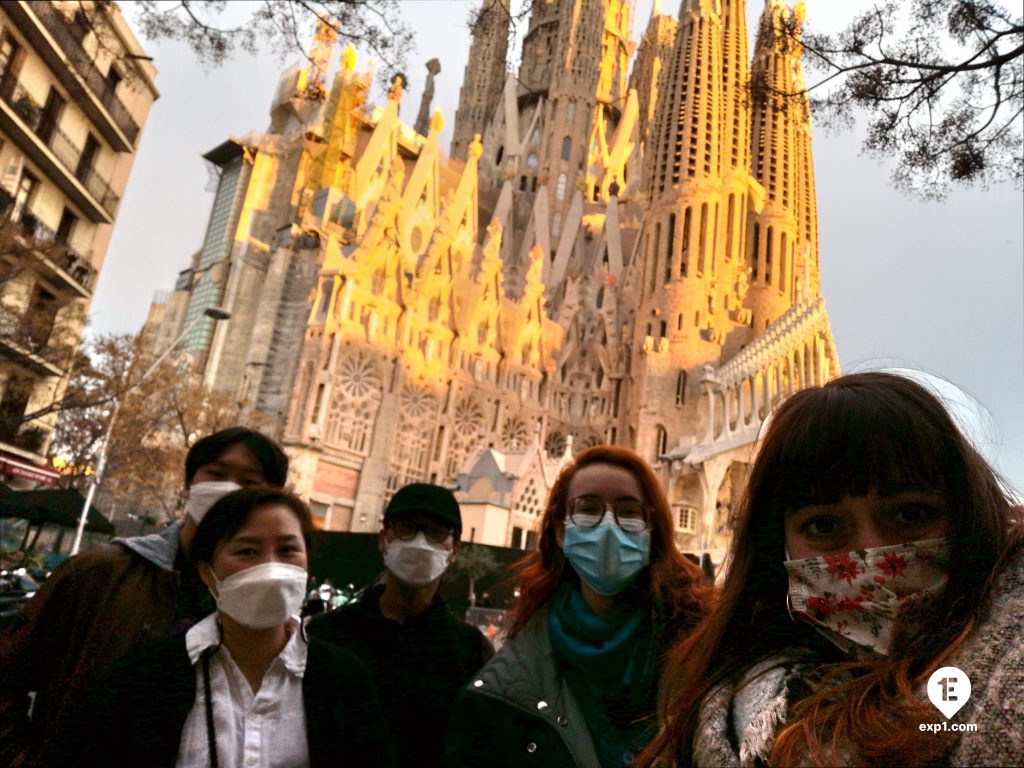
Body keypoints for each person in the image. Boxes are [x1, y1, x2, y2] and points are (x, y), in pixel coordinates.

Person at [640, 372, 1024, 767]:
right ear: (777, 547)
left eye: (911, 514)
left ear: (970, 515)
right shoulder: (716, 715)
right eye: (825, 526)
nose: (872, 552)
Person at [0, 427, 288, 768]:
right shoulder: (99, 574)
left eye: (248, 482)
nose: (228, 489)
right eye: (216, 473)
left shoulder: (271, 614)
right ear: (189, 484)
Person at [52, 486, 395, 767]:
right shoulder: (146, 674)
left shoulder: (344, 680)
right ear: (207, 572)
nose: (270, 568)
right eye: (247, 551)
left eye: (288, 549)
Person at [444, 445, 713, 767]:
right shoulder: (503, 689)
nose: (608, 525)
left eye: (628, 512)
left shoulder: (706, 658)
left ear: (652, 531)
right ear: (560, 531)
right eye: (588, 508)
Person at [307, 482, 493, 768]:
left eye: (435, 532)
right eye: (407, 527)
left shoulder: (472, 651)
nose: (420, 542)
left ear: (454, 551)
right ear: (383, 539)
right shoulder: (324, 636)